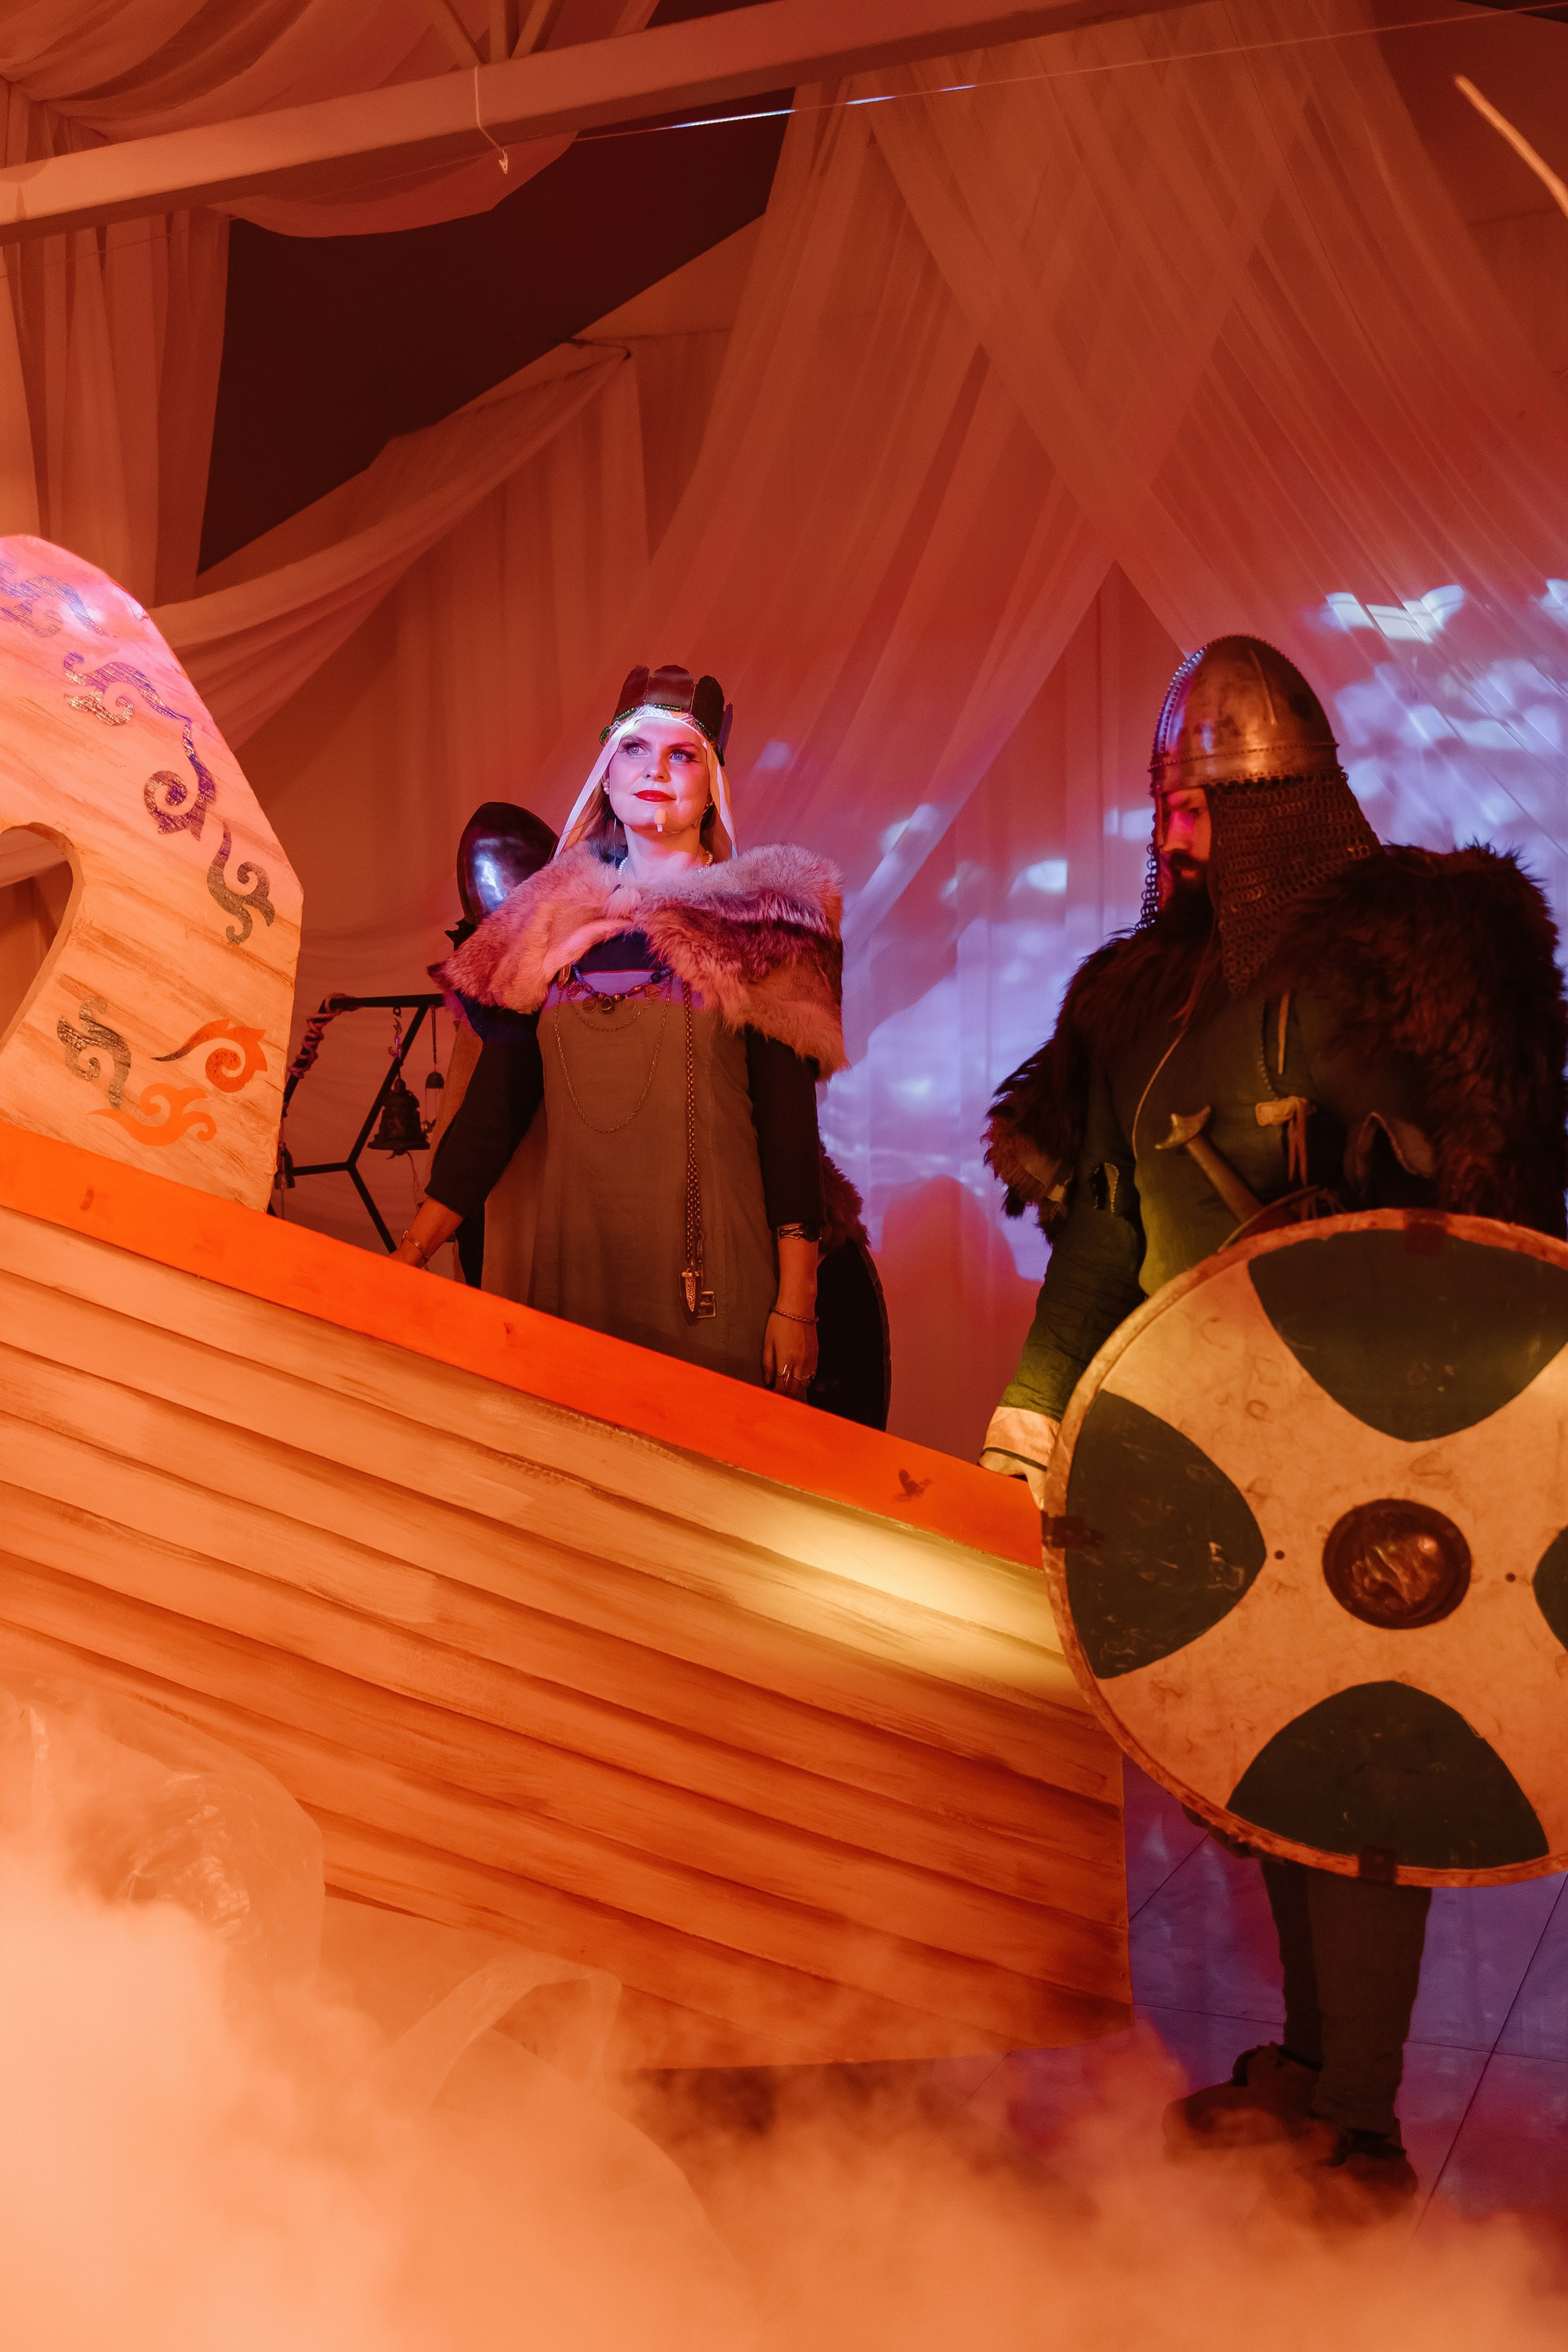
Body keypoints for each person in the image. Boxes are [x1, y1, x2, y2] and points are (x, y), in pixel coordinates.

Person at [980, 635, 1568, 2216]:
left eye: (1207, 803)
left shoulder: (1410, 961)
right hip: (1212, 1437)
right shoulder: (1136, 995)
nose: (1177, 830)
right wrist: (1035, 1409)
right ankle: (1309, 2070)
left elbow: (1486, 1203)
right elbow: (1104, 1223)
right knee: (1265, 1755)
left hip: (1385, 1445)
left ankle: (1362, 2135)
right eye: (1167, 801)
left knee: (1367, 1760)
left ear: (1283, 805)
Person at [394, 664, 844, 1400]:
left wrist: (798, 1303)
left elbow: (789, 1130)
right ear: (606, 776)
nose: (655, 771)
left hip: (711, 1286)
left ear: (712, 786)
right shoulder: (547, 930)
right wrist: (410, 1254)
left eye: (682, 755)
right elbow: (494, 1117)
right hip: (575, 1279)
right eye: (634, 750)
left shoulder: (763, 925)